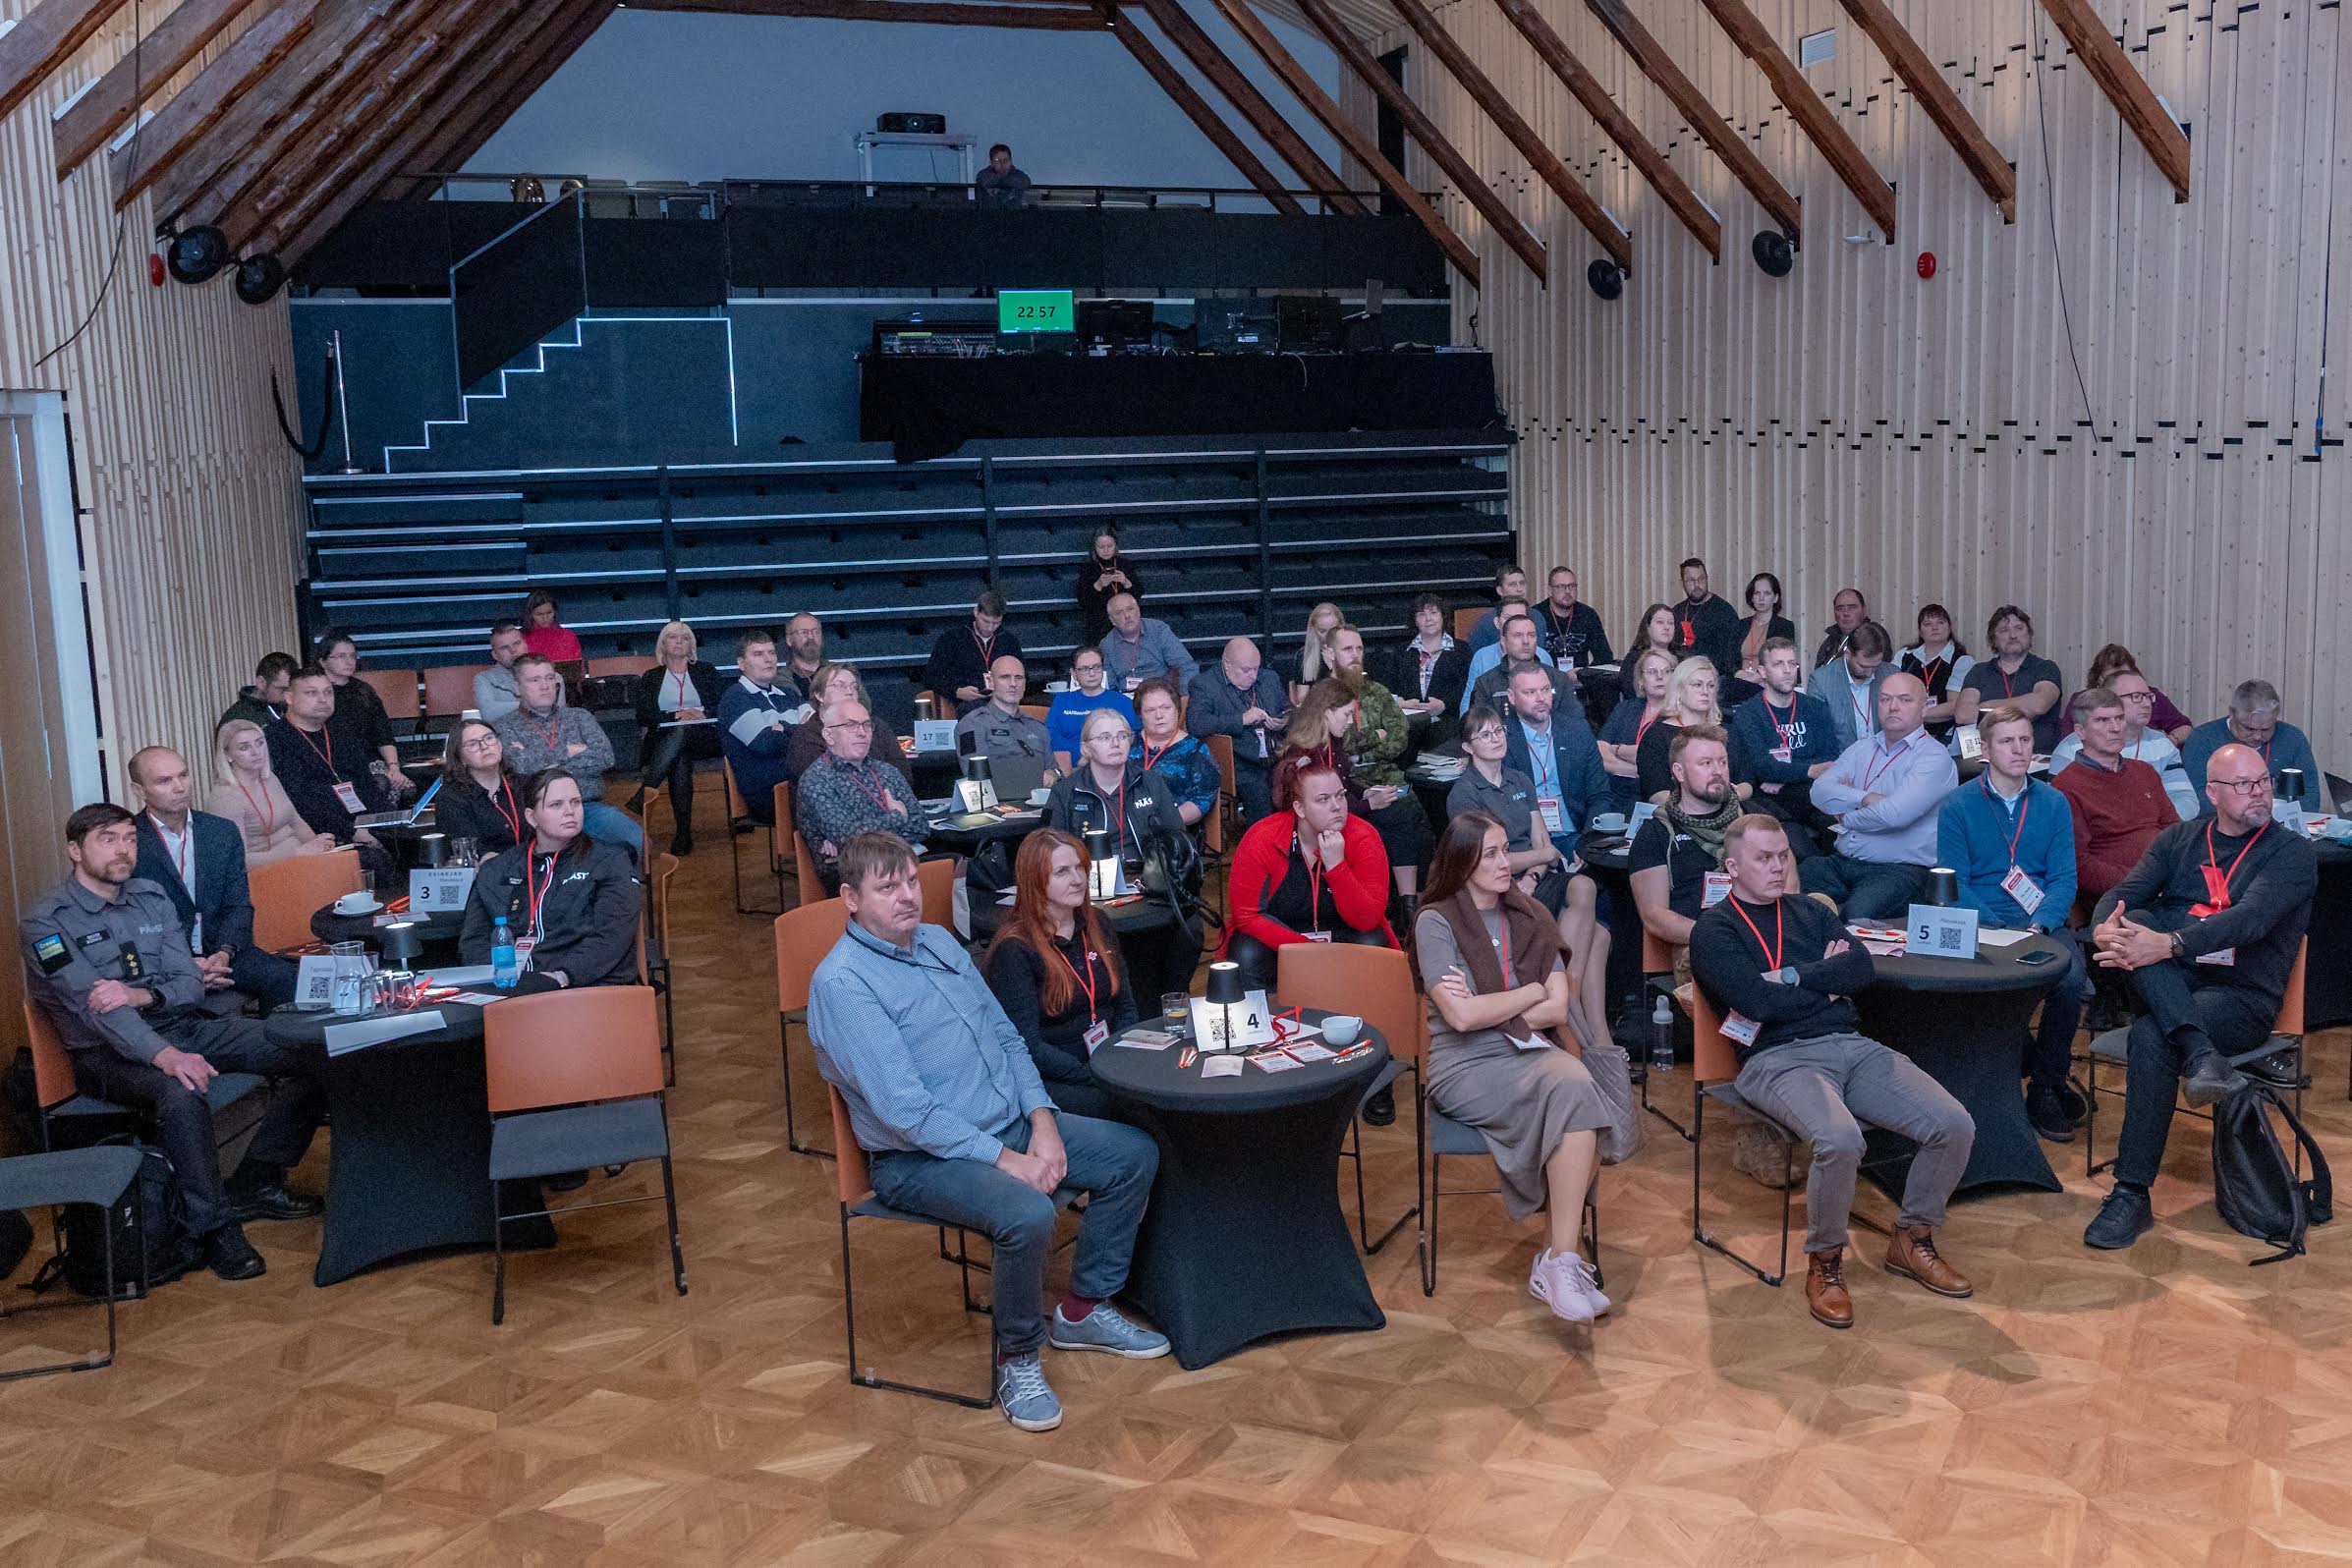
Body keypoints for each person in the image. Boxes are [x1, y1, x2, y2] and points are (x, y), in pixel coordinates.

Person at [810, 833, 1167, 1432]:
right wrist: (1008, 1159)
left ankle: (1080, 1310)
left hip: (1005, 1123)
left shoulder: (940, 943)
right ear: (849, 898)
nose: (906, 898)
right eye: (886, 888)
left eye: (909, 882)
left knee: (1132, 1155)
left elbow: (1007, 1039)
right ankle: (1017, 1356)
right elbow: (905, 1112)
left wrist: (1043, 1122)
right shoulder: (844, 984)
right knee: (1028, 1213)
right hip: (918, 1160)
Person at [1690, 813, 1976, 1329]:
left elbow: (1861, 969)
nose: (1778, 867)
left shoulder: (1811, 912)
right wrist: (1824, 986)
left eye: (1784, 856)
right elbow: (1755, 1002)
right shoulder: (1714, 930)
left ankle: (1911, 1239)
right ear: (1732, 867)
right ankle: (1825, 1262)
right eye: (1763, 858)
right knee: (1840, 1140)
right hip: (1774, 1058)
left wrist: (1794, 977)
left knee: (1953, 1125)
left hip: (1848, 1043)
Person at [20, 804, 326, 1283]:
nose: (123, 849)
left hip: (181, 1023)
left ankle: (258, 1177)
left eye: (129, 838)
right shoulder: (47, 924)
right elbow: (96, 1011)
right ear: (75, 850)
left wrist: (143, 993)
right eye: (108, 839)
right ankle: (216, 1227)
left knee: (312, 1045)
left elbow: (190, 982)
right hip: (105, 1055)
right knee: (181, 1090)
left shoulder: (151, 896)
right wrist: (164, 1055)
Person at [2083, 742, 2318, 1252]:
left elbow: (2249, 920)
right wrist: (2105, 930)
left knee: (2151, 1033)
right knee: (2134, 918)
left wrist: (2169, 943)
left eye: (2263, 782)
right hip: (2174, 983)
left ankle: (2131, 1191)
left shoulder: (2292, 854)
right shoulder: (2180, 840)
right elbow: (2122, 897)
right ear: (2212, 792)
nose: (2258, 793)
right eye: (2243, 784)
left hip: (2241, 999)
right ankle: (2199, 1053)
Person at [1418, 812, 1637, 1324]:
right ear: (1462, 860)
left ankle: (1558, 1260)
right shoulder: (1436, 920)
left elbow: (1557, 1009)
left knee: (1578, 1085)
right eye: (1491, 853)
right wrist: (1531, 990)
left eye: (1505, 851)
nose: (1505, 862)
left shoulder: (1531, 913)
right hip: (1463, 1064)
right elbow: (1460, 1017)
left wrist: (1496, 1003)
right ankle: (1559, 1259)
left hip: (1528, 1051)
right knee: (1573, 1089)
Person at [1934, 704, 2088, 1142]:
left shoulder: (2054, 801)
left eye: (2025, 740)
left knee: (2071, 981)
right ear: (1985, 750)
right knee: (1987, 987)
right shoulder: (1959, 805)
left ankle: (2043, 1087)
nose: (2019, 749)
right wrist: (2002, 923)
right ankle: (2042, 1071)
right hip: (1984, 921)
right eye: (2007, 741)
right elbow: (1954, 882)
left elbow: (2063, 878)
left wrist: (2038, 924)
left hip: (2040, 922)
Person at [983, 829, 1140, 1123]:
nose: (1078, 879)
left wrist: (1120, 1060)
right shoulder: (1015, 949)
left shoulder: (1098, 923)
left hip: (1108, 1059)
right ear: (1035, 881)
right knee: (1132, 1108)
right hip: (1056, 1076)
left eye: (1080, 867)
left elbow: (1125, 1005)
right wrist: (1094, 1074)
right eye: (1062, 872)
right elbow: (1028, 1045)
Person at [129, 746, 296, 1012]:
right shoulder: (129, 840)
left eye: (183, 776)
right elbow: (130, 922)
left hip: (221, 949)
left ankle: (270, 1048)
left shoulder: (221, 832)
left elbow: (238, 905)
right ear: (139, 790)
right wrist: (183, 965)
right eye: (164, 781)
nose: (179, 786)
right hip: (163, 960)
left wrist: (224, 952)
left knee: (286, 978)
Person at [1498, 664, 1615, 1026]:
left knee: (1606, 912)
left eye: (1545, 690)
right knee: (1588, 919)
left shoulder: (1577, 731)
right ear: (1513, 698)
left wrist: (1585, 842)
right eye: (1530, 692)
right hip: (1528, 845)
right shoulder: (1503, 739)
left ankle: (1564, 994)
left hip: (1575, 838)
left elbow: (1600, 797)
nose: (1540, 699)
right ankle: (1570, 999)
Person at [1221, 754, 1394, 991]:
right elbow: (1247, 916)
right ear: (1299, 809)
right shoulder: (1262, 837)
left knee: (1373, 942)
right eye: (1323, 800)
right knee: (1246, 949)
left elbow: (1367, 919)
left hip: (1342, 936)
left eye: (1341, 796)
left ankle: (1364, 1024)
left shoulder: (1364, 836)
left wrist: (1337, 867)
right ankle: (1261, 1024)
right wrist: (1306, 950)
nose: (1337, 807)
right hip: (1282, 939)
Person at [457, 769, 644, 988]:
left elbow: (612, 937)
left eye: (576, 802)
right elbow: (473, 942)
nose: (570, 812)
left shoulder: (610, 861)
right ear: (531, 817)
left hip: (586, 988)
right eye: (556, 805)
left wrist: (562, 977)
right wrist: (500, 980)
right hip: (510, 988)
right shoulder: (497, 870)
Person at [1801, 671, 1957, 918]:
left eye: (1905, 700)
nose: (1893, 707)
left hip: (1900, 870)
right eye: (1885, 699)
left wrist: (1845, 816)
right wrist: (1865, 799)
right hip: (1845, 862)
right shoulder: (1862, 747)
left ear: (1924, 708)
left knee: (1857, 913)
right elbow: (1819, 791)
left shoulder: (1934, 757)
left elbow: (1895, 815)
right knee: (1791, 882)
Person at [1282, 678, 1433, 902]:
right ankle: (1406, 902)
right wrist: (1368, 804)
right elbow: (1325, 803)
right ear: (1327, 712)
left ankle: (1407, 901)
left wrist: (1365, 793)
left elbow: (1343, 782)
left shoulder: (1331, 741)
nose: (1351, 722)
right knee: (1399, 822)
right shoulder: (1307, 752)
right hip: (1323, 821)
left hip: (1343, 809)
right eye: (1347, 714)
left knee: (1406, 812)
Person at [493, 653, 643, 859]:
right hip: (538, 816)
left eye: (549, 678)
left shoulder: (580, 717)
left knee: (636, 839)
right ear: (517, 687)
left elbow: (605, 757)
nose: (545, 686)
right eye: (535, 680)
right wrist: (568, 751)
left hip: (586, 807)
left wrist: (540, 759)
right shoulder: (503, 726)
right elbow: (520, 765)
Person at [1628, 726, 1740, 990]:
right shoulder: (1655, 833)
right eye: (1705, 763)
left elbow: (1788, 877)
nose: (1718, 770)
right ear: (1679, 772)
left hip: (1759, 929)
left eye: (1722, 762)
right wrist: (1716, 936)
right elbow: (1655, 916)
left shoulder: (1749, 820)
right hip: (1700, 940)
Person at [2052, 686, 2181, 901]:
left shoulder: (2145, 772)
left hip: (2167, 883)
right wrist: (2142, 883)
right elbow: (2079, 864)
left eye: (2119, 718)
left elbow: (2174, 831)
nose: (2115, 728)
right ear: (2080, 731)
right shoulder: (2066, 787)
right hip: (2121, 896)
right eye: (2102, 720)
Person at [1328, 625, 1427, 898]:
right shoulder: (1324, 696)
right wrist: (1373, 736)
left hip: (1385, 776)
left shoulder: (1378, 692)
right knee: (1398, 816)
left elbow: (1399, 740)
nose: (1355, 655)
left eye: (1359, 648)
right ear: (1330, 655)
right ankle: (1394, 901)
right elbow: (1340, 747)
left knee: (1418, 816)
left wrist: (1361, 747)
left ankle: (1412, 902)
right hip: (1346, 782)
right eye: (1347, 649)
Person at [796, 699, 925, 890]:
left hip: (900, 861)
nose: (862, 732)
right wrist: (897, 817)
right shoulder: (817, 779)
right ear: (828, 735)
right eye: (850, 725)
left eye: (866, 725)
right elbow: (846, 836)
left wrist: (856, 839)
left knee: (953, 865)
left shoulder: (886, 771)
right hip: (853, 877)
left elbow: (921, 825)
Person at [1726, 638, 1839, 847]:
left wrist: (1784, 775)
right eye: (1778, 664)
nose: (1788, 670)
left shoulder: (1815, 707)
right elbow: (1762, 767)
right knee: (1800, 850)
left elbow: (1830, 759)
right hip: (1772, 801)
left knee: (1843, 839)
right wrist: (1810, 770)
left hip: (1813, 794)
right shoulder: (1748, 714)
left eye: (1792, 663)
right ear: (1762, 671)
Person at [266, 666, 389, 856]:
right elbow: (299, 802)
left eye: (328, 692)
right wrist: (353, 832)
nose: (323, 699)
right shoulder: (275, 739)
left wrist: (389, 819)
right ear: (289, 698)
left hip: (365, 822)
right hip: (321, 835)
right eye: (311, 693)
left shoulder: (341, 731)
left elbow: (366, 783)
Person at [2049, 669, 2198, 820]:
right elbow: (2060, 811)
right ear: (2109, 701)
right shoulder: (2070, 748)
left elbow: (2188, 802)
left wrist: (2147, 820)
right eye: (2136, 697)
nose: (2147, 704)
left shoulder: (2162, 745)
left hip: (2158, 833)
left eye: (2148, 697)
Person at [630, 620, 723, 857]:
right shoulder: (651, 677)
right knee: (679, 756)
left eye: (684, 638)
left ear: (692, 645)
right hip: (665, 741)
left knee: (683, 732)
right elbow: (643, 715)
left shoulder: (706, 671)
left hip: (705, 737)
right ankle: (683, 834)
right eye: (673, 637)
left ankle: (646, 791)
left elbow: (722, 705)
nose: (679, 642)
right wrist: (675, 715)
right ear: (663, 644)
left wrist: (700, 713)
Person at [2179, 679, 2324, 816]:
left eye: (2266, 729)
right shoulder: (2203, 739)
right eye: (2248, 728)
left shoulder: (2293, 738)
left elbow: (2310, 796)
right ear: (2232, 713)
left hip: (2282, 829)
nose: (2257, 736)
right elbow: (2199, 798)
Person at [1186, 637, 1289, 822]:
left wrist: (1284, 721)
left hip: (1277, 754)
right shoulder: (1204, 685)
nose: (1253, 676)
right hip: (1239, 762)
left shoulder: (1269, 679)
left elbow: (1289, 710)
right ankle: (1262, 844)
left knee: (1302, 782)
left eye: (1256, 668)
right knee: (1260, 796)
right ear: (1227, 664)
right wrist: (1241, 719)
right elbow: (1196, 723)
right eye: (1246, 670)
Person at [208, 718, 337, 866]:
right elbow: (236, 860)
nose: (256, 752)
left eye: (260, 743)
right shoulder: (225, 797)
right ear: (228, 756)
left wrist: (318, 846)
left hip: (299, 863)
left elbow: (295, 821)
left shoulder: (270, 779)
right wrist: (296, 854)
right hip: (266, 874)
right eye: (244, 748)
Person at [716, 628, 811, 827]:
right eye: (758, 654)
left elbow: (816, 732)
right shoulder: (735, 698)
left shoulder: (789, 694)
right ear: (741, 664)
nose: (768, 659)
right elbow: (765, 744)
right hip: (768, 793)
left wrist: (782, 728)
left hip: (800, 781)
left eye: (771, 653)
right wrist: (796, 728)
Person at [312, 630, 415, 801]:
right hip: (336, 765)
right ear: (323, 661)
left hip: (371, 762)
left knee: (407, 789)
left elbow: (383, 735)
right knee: (379, 785)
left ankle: (390, 826)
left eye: (353, 656)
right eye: (341, 656)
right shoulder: (318, 695)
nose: (349, 661)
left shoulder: (364, 691)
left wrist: (393, 767)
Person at [1954, 605, 2064, 755]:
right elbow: (1963, 714)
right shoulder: (1979, 672)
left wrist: (1987, 706)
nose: (2013, 635)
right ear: (1993, 640)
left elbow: (2039, 705)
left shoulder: (2046, 668)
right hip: (1986, 759)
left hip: (2035, 759)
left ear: (2029, 635)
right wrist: (2023, 708)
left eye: (2019, 628)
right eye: (2004, 630)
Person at [785, 663, 915, 784]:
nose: (849, 691)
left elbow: (903, 774)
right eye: (840, 685)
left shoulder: (877, 726)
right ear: (819, 695)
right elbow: (826, 782)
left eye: (854, 686)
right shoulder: (806, 737)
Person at [1635, 656, 1726, 806]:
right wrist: (1702, 804)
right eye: (1697, 685)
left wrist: (1734, 795)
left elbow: (1747, 782)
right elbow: (1656, 793)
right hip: (1673, 815)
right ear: (1678, 689)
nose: (1705, 692)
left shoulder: (1726, 731)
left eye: (1711, 686)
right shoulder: (1656, 736)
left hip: (1727, 810)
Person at [2059, 644, 2195, 743]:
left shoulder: (2151, 696)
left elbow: (2185, 727)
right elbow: (2068, 740)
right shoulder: (2082, 701)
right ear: (2099, 680)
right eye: (2112, 679)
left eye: (2125, 675)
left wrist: (2171, 741)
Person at [1131, 678, 1217, 827]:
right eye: (1150, 710)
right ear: (1140, 715)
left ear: (1177, 710)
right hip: (1126, 827)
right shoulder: (1126, 743)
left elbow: (1201, 801)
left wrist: (1160, 823)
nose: (1159, 716)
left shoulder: (1196, 751)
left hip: (1173, 829)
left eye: (1166, 708)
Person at [436, 719, 528, 858]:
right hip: (488, 871)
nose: (484, 746)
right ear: (460, 758)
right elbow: (470, 850)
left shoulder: (525, 784)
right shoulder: (451, 797)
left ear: (500, 745)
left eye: (489, 738)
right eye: (473, 744)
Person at [1598, 647, 1673, 816]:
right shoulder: (1625, 708)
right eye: (1652, 672)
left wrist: (1617, 750)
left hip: (1656, 802)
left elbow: (1663, 758)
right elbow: (1599, 750)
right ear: (1640, 680)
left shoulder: (1678, 715)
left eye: (1666, 671)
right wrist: (1641, 772)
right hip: (1615, 797)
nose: (1660, 677)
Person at [924, 588, 1021, 717]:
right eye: (986, 621)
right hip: (965, 701)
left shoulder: (1008, 640)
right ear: (976, 612)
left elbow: (1023, 674)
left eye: (996, 623)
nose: (990, 628)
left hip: (1002, 699)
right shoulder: (952, 639)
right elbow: (930, 677)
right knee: (976, 711)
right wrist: (957, 691)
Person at [959, 654, 1056, 778]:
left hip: (1040, 795)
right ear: (990, 682)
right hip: (998, 796)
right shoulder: (971, 724)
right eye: (1005, 677)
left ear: (1024, 685)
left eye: (1019, 678)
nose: (1013, 683)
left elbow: (1055, 771)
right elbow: (977, 775)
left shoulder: (1037, 727)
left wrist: (1053, 774)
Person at [1464, 610, 1575, 717]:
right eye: (1518, 635)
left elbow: (1574, 723)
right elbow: (1477, 728)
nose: (1526, 641)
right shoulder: (1486, 684)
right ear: (1503, 641)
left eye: (1531, 635)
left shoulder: (1559, 679)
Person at [1045, 648, 1139, 773]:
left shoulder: (1121, 701)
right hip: (1070, 769)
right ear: (1073, 673)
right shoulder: (1062, 701)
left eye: (1096, 667)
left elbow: (1136, 736)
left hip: (1113, 768)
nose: (1092, 673)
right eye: (1084, 669)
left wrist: (1098, 756)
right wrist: (1079, 755)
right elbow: (1051, 735)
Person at [1898, 604, 1974, 744]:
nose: (1935, 627)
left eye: (1941, 622)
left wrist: (1914, 714)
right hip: (1906, 734)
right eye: (1928, 624)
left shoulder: (1962, 661)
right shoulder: (1904, 656)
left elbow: (1955, 706)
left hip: (1945, 737)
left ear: (1950, 628)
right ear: (1920, 631)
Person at [1459, 602, 1556, 710]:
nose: (1515, 623)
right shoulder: (1482, 658)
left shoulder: (1543, 656)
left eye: (1520, 617)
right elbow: (1469, 704)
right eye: (1509, 618)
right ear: (1497, 622)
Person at [1391, 593, 1470, 728]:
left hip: (1449, 723)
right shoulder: (1401, 651)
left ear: (1443, 616)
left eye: (1433, 613)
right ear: (1415, 621)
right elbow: (1390, 685)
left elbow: (1467, 687)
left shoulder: (1461, 650)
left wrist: (1444, 705)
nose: (1428, 619)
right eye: (1421, 614)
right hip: (1407, 723)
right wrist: (1401, 703)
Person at [1098, 591, 1199, 691]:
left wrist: (1180, 698)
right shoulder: (1106, 645)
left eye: (1130, 609)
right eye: (1119, 613)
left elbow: (1186, 666)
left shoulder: (1159, 630)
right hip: (1126, 700)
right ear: (1112, 620)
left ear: (1138, 611)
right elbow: (1108, 685)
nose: (1127, 615)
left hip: (1163, 695)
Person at [1820, 621, 1894, 753]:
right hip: (1842, 761)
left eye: (1876, 666)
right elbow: (1820, 737)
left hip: (1885, 760)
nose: (1870, 672)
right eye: (1863, 666)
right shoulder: (1821, 681)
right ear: (1847, 655)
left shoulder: (1892, 675)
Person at [1669, 557, 1743, 681]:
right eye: (1691, 580)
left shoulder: (1724, 611)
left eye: (1701, 579)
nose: (1697, 585)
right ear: (1682, 583)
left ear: (1707, 579)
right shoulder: (1677, 611)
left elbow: (1731, 658)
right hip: (1680, 678)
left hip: (1713, 679)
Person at [1533, 566, 1612, 675]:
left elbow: (1604, 656)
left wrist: (1584, 674)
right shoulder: (1537, 615)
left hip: (1579, 680)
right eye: (1561, 587)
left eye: (1572, 586)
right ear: (1549, 590)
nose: (1568, 591)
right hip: (1545, 680)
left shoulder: (1587, 615)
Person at [1075, 529, 1141, 644]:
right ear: (1094, 548)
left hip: (1125, 620)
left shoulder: (1125, 565)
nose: (1106, 550)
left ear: (1115, 545)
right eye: (1101, 547)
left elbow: (1138, 594)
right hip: (1100, 624)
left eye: (1109, 546)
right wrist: (1098, 585)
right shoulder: (1088, 568)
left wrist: (1125, 582)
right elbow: (1083, 601)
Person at [1730, 572, 1795, 687]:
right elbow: (1730, 658)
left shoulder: (1784, 626)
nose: (1761, 598)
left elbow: (1782, 662)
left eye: (1767, 593)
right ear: (1752, 598)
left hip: (1767, 684)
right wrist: (1738, 673)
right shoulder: (1740, 625)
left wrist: (1759, 677)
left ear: (1775, 598)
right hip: (1739, 682)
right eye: (1757, 593)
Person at [1615, 602, 1679, 700]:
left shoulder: (1682, 659)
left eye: (1671, 623)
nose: (1667, 627)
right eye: (1660, 622)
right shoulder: (1634, 659)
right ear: (1648, 627)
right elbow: (1630, 692)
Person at [221, 651, 298, 731]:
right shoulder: (238, 719)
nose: (288, 696)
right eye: (282, 689)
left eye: (292, 690)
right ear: (261, 683)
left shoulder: (286, 709)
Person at [1466, 563, 1529, 652]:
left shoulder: (1538, 617)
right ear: (1500, 590)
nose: (1519, 589)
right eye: (1512, 584)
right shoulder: (1485, 624)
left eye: (1522, 583)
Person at [474, 624, 528, 722]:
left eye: (517, 643)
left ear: (525, 645)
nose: (513, 650)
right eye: (504, 647)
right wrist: (531, 705)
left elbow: (557, 715)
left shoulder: (551, 676)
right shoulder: (484, 679)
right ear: (495, 655)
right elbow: (488, 713)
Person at [1292, 600, 1344, 703]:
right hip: (1316, 711)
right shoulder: (1304, 655)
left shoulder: (1349, 651)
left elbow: (1349, 693)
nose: (1327, 635)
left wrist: (1332, 668)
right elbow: (1302, 698)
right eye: (1322, 631)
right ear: (1313, 630)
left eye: (1333, 630)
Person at [518, 589, 584, 663]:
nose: (545, 618)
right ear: (530, 615)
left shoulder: (568, 636)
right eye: (539, 614)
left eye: (549, 613)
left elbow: (578, 668)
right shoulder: (519, 639)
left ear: (554, 612)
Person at [1813, 587, 1870, 670]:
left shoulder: (1874, 637)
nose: (1846, 613)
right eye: (1840, 609)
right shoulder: (1830, 641)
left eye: (1852, 607)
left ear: (1864, 611)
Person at [779, 612, 827, 707]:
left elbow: (864, 706)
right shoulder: (781, 679)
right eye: (803, 632)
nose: (811, 637)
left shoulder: (841, 672)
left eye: (816, 632)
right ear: (789, 640)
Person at [975, 141, 1033, 209]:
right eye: (997, 160)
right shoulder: (983, 175)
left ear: (1011, 161)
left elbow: (1026, 182)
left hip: (1013, 216)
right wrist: (1002, 177)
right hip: (989, 217)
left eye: (1006, 160)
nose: (1002, 163)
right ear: (991, 163)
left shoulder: (1019, 176)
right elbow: (984, 181)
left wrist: (1002, 179)